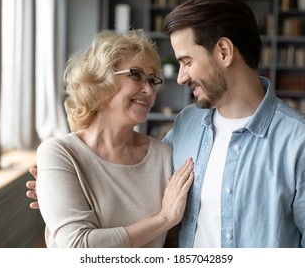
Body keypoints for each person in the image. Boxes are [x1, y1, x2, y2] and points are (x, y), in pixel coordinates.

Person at [28, 0, 305, 248]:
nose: (179, 78)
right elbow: (138, 189)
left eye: (185, 61)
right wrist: (60, 191)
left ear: (224, 52)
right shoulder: (184, 128)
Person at [31, 29, 194, 248]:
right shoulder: (60, 153)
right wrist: (163, 218)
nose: (148, 90)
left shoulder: (164, 154)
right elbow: (78, 248)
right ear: (100, 80)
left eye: (153, 80)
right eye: (135, 75)